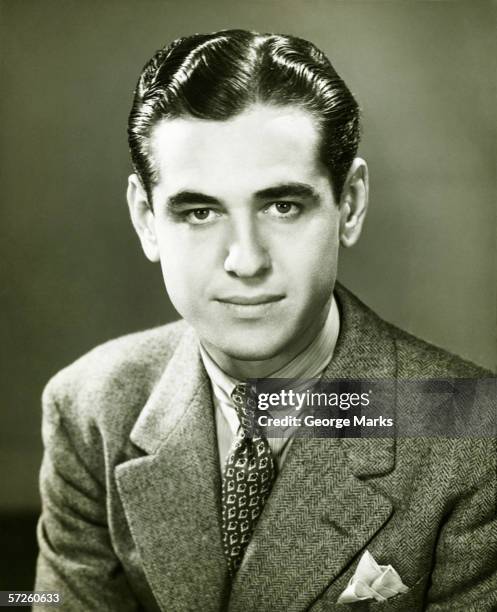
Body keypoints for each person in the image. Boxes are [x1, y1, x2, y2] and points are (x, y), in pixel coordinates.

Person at [34, 29, 496, 611]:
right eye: (199, 212)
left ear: (349, 203)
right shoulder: (90, 406)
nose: (245, 261)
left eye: (283, 206)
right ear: (146, 220)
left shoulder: (471, 431)